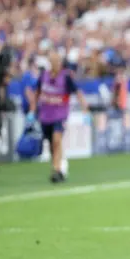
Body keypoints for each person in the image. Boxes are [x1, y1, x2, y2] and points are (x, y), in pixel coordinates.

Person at [27, 51, 91, 183]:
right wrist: (32, 111)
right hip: (45, 116)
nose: (55, 63)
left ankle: (56, 169)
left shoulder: (66, 77)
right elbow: (36, 93)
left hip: (59, 115)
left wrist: (86, 110)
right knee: (51, 144)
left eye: (57, 61)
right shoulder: (43, 76)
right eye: (52, 61)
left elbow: (78, 93)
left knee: (57, 140)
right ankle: (58, 167)